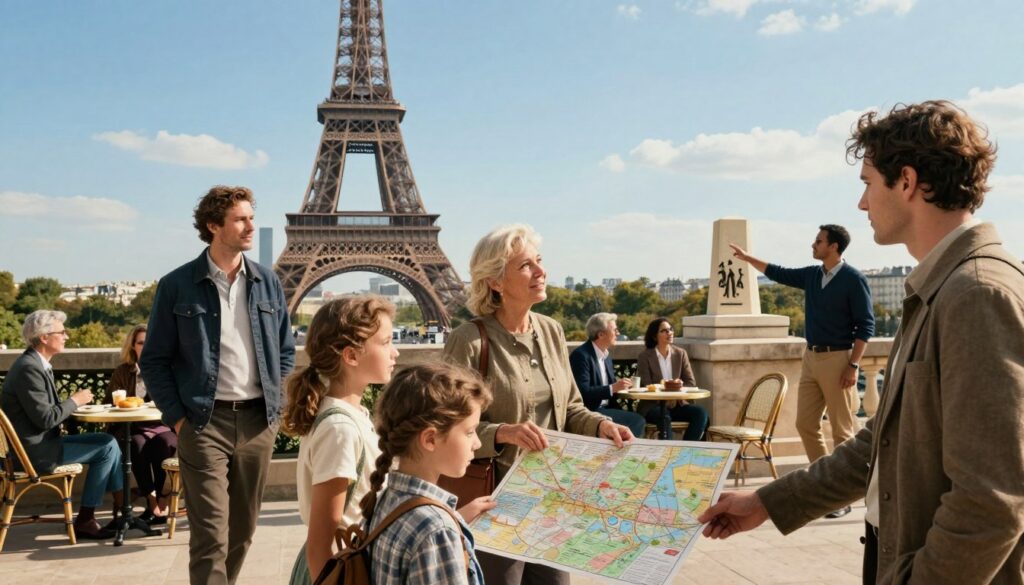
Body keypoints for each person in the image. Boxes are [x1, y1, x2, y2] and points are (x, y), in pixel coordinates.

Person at [699, 101, 1024, 584]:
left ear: (908, 182)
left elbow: (991, 502)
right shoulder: (945, 287)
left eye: (868, 183)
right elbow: (880, 444)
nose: (862, 203)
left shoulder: (975, 294)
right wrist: (767, 503)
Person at [443, 224, 633, 585]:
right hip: (496, 501)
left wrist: (601, 425)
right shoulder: (468, 341)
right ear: (496, 281)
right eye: (526, 265)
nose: (541, 272)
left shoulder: (551, 331)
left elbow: (571, 407)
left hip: (553, 498)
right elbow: (446, 428)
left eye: (539, 261)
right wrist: (503, 432)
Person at [140, 185, 295, 585]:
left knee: (241, 532)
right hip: (204, 423)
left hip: (259, 421)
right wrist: (177, 420)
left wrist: (274, 410)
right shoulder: (177, 285)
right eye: (240, 219)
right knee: (210, 536)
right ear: (213, 226)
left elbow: (285, 350)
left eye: (251, 217)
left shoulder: (267, 282)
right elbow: (154, 359)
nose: (251, 226)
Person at [729, 224, 874, 518]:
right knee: (806, 424)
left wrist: (853, 364)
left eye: (819, 241)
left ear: (833, 247)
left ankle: (842, 496)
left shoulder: (853, 279)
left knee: (843, 432)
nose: (813, 244)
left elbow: (866, 326)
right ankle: (826, 489)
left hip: (838, 359)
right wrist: (748, 258)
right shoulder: (812, 275)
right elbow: (778, 272)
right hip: (811, 357)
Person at [282, 296, 399, 583]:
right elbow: (322, 540)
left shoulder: (346, 415)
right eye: (385, 343)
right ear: (351, 356)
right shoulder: (340, 429)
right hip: (339, 570)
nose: (394, 352)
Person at [360, 362, 495, 585]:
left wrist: (456, 518)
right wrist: (448, 525)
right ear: (430, 439)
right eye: (469, 432)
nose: (477, 443)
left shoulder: (385, 500)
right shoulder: (437, 531)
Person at [0, 310, 124, 539]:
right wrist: (75, 400)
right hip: (34, 454)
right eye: (61, 332)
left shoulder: (35, 363)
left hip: (40, 444)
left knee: (109, 441)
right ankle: (89, 518)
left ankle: (121, 508)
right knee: (106, 448)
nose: (66, 336)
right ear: (44, 337)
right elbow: (46, 418)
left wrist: (74, 405)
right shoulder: (29, 368)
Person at [108, 324, 177, 525]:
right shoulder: (123, 372)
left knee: (163, 444)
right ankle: (151, 498)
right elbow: (110, 401)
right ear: (133, 347)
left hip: (164, 426)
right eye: (140, 343)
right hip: (135, 426)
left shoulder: (167, 369)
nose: (145, 347)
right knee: (135, 445)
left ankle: (162, 498)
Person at [568, 312, 646, 438]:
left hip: (606, 408)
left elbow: (610, 387)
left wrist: (623, 387)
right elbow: (583, 392)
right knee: (637, 420)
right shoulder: (581, 356)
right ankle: (627, 454)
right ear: (601, 334)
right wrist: (613, 388)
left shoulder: (606, 355)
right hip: (590, 412)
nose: (618, 333)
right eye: (614, 330)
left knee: (636, 416)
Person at [635, 317, 709, 441]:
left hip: (678, 404)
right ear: (654, 336)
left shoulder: (681, 354)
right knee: (664, 417)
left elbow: (690, 383)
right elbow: (647, 385)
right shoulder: (645, 357)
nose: (669, 333)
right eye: (664, 331)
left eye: (670, 329)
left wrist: (677, 391)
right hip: (654, 406)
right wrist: (667, 396)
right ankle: (667, 454)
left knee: (701, 413)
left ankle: (684, 452)